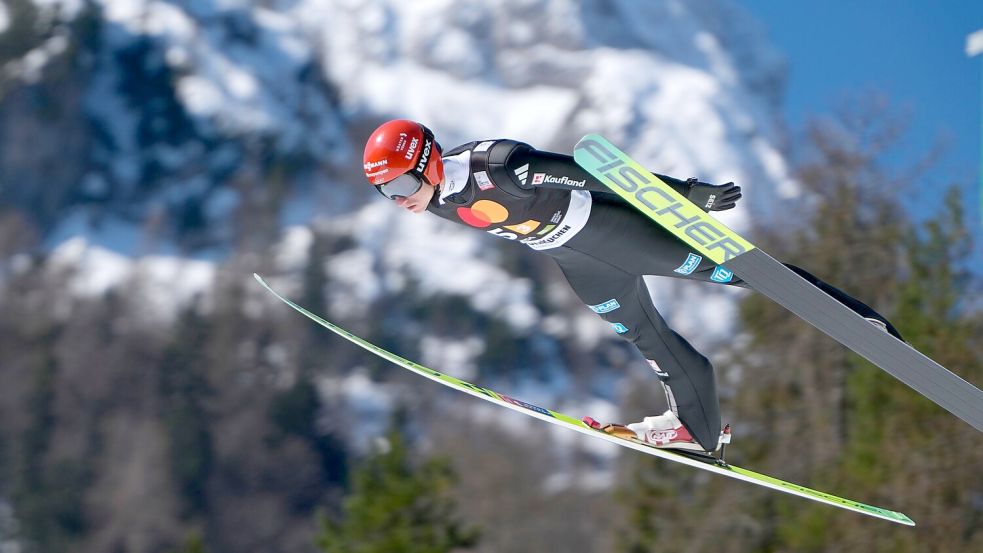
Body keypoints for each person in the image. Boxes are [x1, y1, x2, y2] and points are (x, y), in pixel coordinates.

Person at [361, 119, 903, 454]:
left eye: (403, 183)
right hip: (577, 261)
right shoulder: (431, 199)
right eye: (386, 193)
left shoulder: (500, 166)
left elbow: (593, 174)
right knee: (648, 338)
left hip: (615, 232)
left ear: (428, 159)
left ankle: (862, 321)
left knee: (749, 273)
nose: (401, 199)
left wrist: (684, 194)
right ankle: (696, 429)